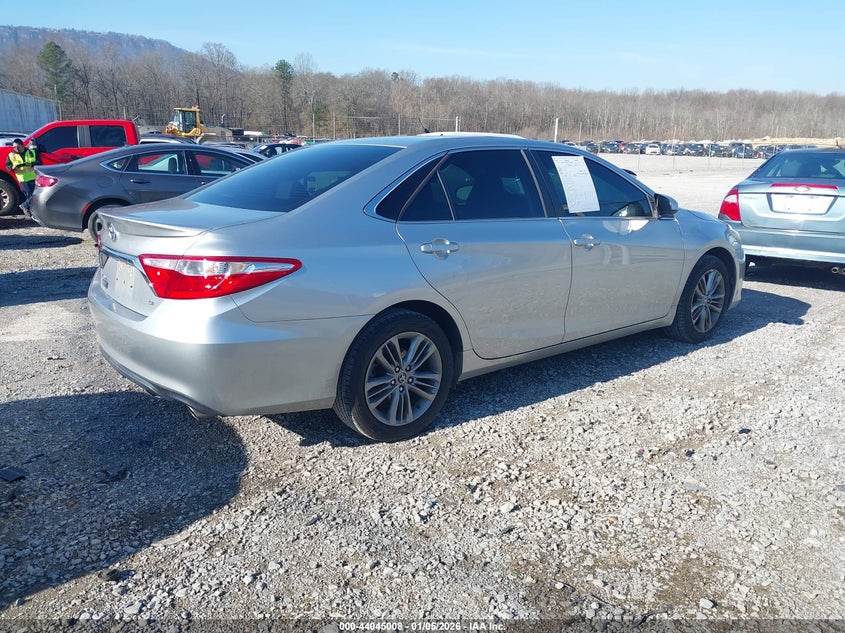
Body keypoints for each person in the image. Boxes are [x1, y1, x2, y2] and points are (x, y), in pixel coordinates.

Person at [5, 138, 39, 214]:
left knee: (35, 196)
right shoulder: (11, 155)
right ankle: (25, 206)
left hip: (34, 177)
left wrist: (32, 164)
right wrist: (12, 167)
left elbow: (39, 162)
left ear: (22, 146)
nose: (16, 149)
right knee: (32, 196)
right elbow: (8, 166)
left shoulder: (31, 152)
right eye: (14, 147)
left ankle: (28, 208)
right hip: (23, 179)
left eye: (18, 147)